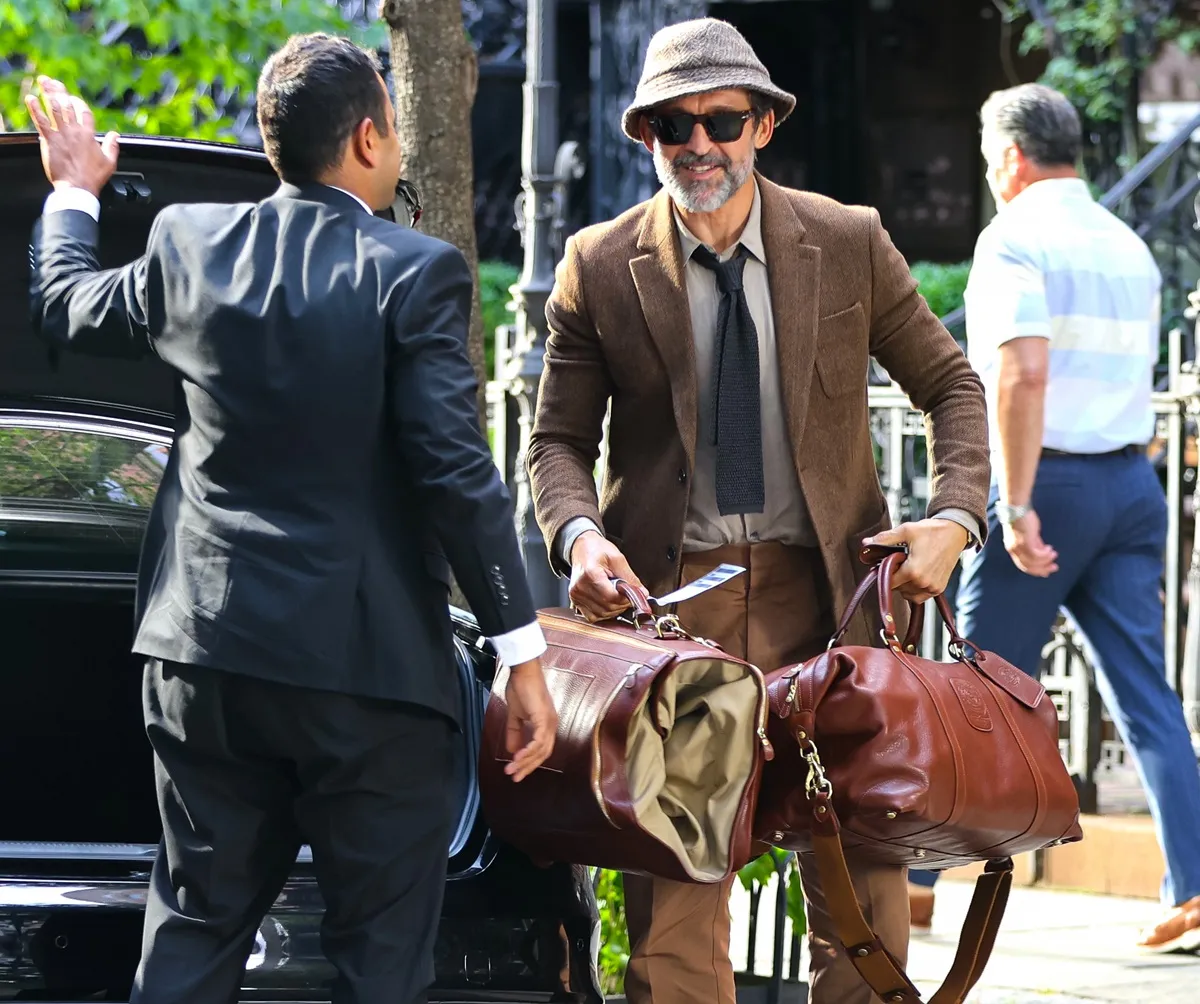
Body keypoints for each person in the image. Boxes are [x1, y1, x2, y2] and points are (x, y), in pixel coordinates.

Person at [24, 34, 558, 1004]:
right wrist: (522, 651)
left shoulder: (188, 245)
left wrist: (74, 189)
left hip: (207, 658)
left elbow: (64, 306)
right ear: (368, 137)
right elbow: (453, 469)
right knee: (378, 963)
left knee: (192, 932)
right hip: (367, 680)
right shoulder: (417, 272)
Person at [526, 17, 990, 1004]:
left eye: (721, 119)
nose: (698, 144)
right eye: (671, 127)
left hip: (830, 608)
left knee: (859, 889)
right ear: (643, 137)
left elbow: (953, 386)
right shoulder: (600, 267)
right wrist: (578, 533)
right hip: (674, 618)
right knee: (677, 905)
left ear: (763, 125)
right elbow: (555, 441)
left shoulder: (847, 241)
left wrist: (955, 519)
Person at [907, 82, 1200, 954]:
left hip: (1051, 487)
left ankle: (913, 881)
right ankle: (1195, 883)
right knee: (1148, 697)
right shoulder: (1127, 246)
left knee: (975, 691)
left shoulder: (1014, 240)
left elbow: (1021, 373)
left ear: (1009, 157)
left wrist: (1020, 502)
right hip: (1128, 487)